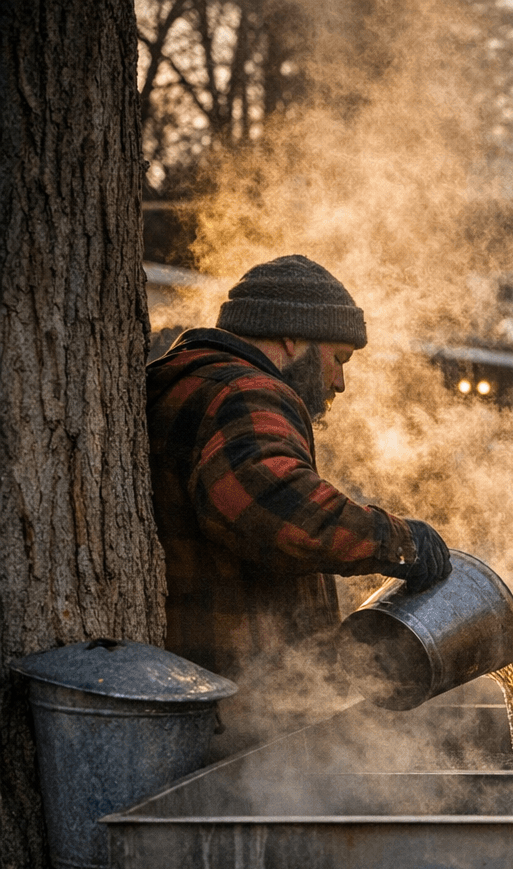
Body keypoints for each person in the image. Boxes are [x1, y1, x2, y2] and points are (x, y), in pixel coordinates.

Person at [145, 255, 453, 732]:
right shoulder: (247, 390)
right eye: (339, 359)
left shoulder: (192, 382)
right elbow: (266, 502)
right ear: (292, 338)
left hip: (196, 683)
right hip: (235, 698)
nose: (340, 383)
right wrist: (395, 540)